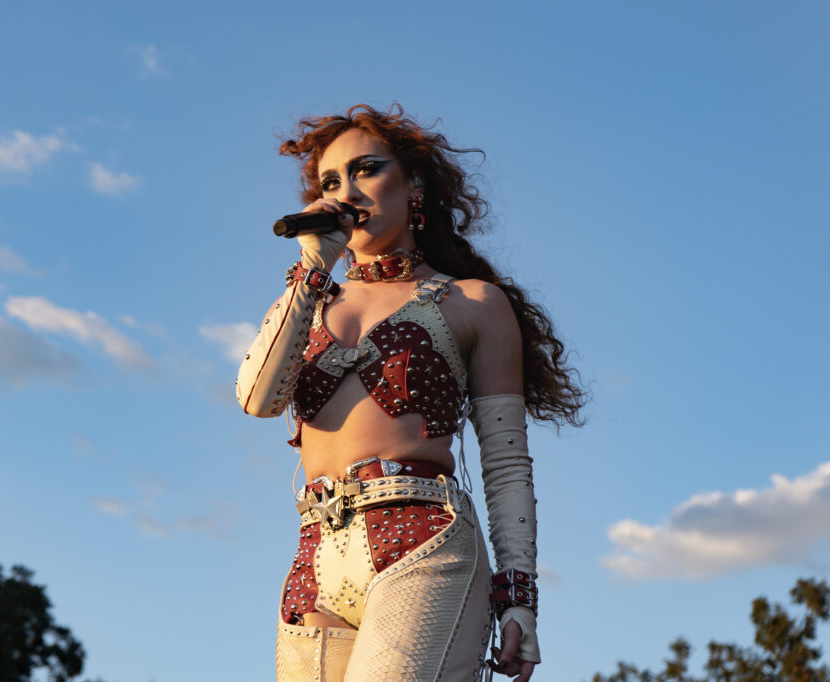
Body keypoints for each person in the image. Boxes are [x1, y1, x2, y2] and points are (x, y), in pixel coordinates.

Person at [237, 104, 585, 681]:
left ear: (414, 182)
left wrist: (519, 594)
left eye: (365, 169)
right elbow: (258, 399)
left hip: (425, 545)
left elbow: (504, 462)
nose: (347, 192)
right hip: (315, 556)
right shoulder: (309, 297)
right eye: (330, 182)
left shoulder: (473, 303)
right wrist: (314, 268)